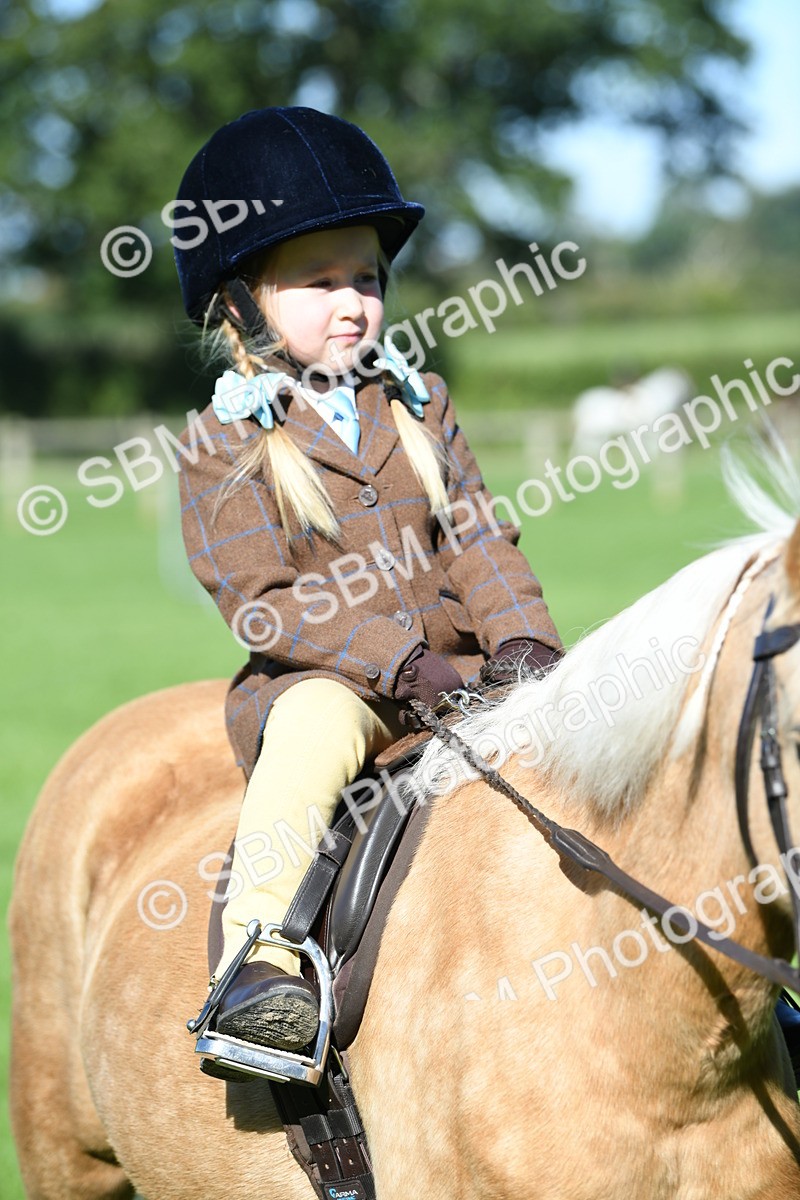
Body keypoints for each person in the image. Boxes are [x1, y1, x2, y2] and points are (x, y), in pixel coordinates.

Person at [173, 106, 562, 1057]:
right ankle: (258, 967)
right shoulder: (223, 441)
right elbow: (269, 602)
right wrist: (403, 666)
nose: (353, 302)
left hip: (463, 670)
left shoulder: (420, 405)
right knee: (311, 731)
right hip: (334, 685)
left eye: (369, 279)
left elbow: (478, 535)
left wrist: (522, 645)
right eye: (319, 282)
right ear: (241, 304)